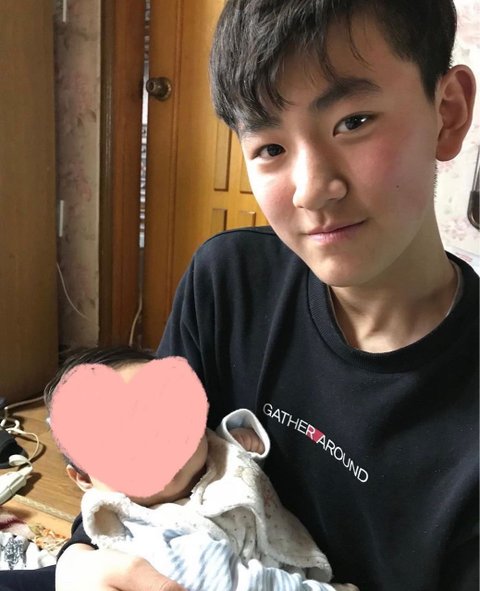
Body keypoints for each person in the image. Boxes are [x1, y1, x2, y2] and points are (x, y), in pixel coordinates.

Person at [0, 0, 477, 589]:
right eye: (271, 148)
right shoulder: (229, 282)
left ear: (447, 112)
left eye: (353, 121)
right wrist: (79, 562)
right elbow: (134, 488)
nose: (311, 190)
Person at [42, 346, 357, 591]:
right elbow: (239, 585)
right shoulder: (155, 537)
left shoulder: (207, 454)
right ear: (84, 478)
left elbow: (231, 482)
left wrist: (233, 440)